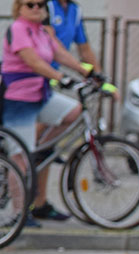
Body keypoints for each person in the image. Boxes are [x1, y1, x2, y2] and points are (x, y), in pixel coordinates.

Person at [1, 0, 91, 226]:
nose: (36, 8)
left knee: (74, 112)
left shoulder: (42, 31)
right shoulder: (18, 29)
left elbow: (60, 54)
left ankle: (42, 147)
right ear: (19, 8)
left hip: (41, 95)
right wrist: (61, 77)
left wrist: (86, 72)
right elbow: (32, 61)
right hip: (19, 99)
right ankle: (19, 214)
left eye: (40, 5)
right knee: (20, 158)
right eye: (30, 4)